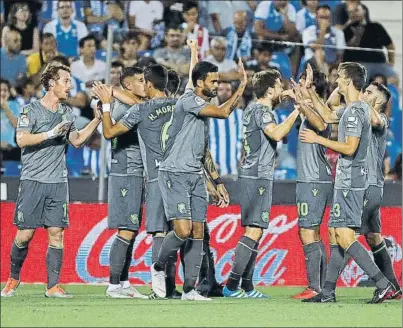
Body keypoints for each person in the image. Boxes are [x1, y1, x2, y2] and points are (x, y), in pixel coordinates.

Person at [150, 56, 247, 301]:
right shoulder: (189, 100)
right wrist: (242, 86)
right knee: (182, 231)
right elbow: (225, 112)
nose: (216, 85)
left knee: (198, 232)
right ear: (200, 81)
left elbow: (203, 152)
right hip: (174, 173)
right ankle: (158, 267)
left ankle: (190, 290)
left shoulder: (201, 114)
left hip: (194, 175)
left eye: (218, 81)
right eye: (213, 81)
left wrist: (218, 182)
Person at [1, 62, 101, 298]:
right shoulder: (30, 110)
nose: (70, 86)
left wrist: (95, 121)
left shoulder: (66, 112)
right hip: (33, 180)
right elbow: (22, 139)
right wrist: (51, 133)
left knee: (57, 233)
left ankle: (52, 286)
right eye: (66, 81)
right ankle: (13, 280)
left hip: (58, 182)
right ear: (51, 83)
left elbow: (76, 140)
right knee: (24, 235)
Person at [299, 62, 395, 303]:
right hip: (353, 180)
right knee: (341, 234)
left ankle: (383, 283)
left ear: (349, 82)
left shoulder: (362, 112)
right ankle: (328, 292)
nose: (336, 81)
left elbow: (350, 147)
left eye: (340, 78)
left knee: (344, 235)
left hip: (353, 181)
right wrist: (310, 90)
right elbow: (329, 114)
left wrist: (317, 140)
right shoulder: (354, 109)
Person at [223, 69, 299, 298]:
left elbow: (274, 98)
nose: (281, 89)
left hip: (253, 174)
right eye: (277, 86)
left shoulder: (254, 108)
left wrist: (287, 92)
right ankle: (231, 286)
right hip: (257, 176)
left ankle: (247, 286)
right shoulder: (262, 110)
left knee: (255, 230)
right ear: (268, 90)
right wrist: (297, 110)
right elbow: (275, 134)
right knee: (254, 230)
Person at [90, 66, 148, 298]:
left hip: (135, 172)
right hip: (125, 172)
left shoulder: (126, 100)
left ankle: (123, 282)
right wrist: (109, 97)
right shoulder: (125, 106)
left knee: (131, 230)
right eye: (141, 80)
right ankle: (114, 284)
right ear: (128, 85)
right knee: (126, 230)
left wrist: (111, 92)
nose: (146, 84)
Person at [289, 66, 332, 299]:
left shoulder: (318, 111)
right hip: (313, 178)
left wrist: (303, 101)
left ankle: (314, 288)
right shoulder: (312, 110)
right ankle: (321, 287)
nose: (300, 85)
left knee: (307, 231)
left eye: (305, 82)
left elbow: (322, 126)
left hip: (313, 179)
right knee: (312, 233)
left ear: (313, 88)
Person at [342, 4, 397, 84]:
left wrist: (391, 62)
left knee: (393, 78)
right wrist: (354, 32)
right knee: (361, 80)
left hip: (379, 63)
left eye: (356, 10)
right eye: (351, 12)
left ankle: (390, 96)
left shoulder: (376, 26)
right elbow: (347, 46)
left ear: (365, 11)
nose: (354, 13)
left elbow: (390, 45)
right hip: (359, 63)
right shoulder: (348, 29)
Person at [208, 80, 243, 177]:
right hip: (214, 171)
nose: (224, 92)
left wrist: (243, 158)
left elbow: (244, 139)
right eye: (221, 89)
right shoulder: (209, 115)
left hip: (234, 170)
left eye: (228, 90)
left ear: (232, 93)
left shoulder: (240, 115)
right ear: (216, 92)